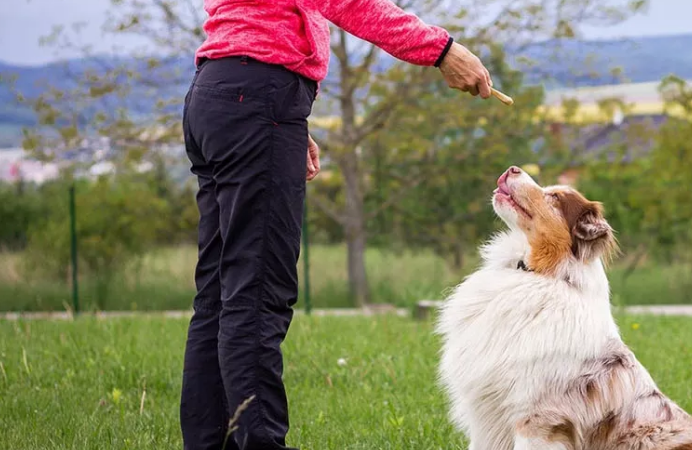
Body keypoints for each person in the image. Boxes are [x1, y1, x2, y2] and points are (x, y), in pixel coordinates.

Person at [179, 1, 493, 449]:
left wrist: (282, 120)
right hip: (255, 98)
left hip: (217, 94)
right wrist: (442, 50)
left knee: (217, 296)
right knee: (255, 295)